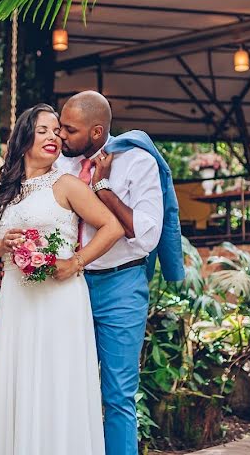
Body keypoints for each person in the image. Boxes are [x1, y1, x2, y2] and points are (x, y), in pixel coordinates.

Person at [0, 103, 123, 455]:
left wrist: (76, 262)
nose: (53, 137)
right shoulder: (2, 190)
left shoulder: (67, 184)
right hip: (16, 300)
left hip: (59, 300)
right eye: (43, 130)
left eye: (57, 131)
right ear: (25, 138)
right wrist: (1, 245)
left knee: (56, 383)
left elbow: (112, 226)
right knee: (19, 382)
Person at [56, 91, 184, 455]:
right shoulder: (62, 164)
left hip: (120, 286)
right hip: (68, 288)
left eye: (70, 129)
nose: (61, 136)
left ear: (97, 133)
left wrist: (103, 188)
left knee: (117, 395)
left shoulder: (137, 162)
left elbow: (145, 235)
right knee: (66, 390)